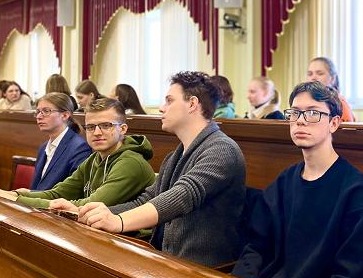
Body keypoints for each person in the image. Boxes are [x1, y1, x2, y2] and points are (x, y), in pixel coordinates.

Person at [233, 81, 363, 278]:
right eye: (295, 113)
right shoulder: (284, 181)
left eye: (313, 113)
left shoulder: (355, 190)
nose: (300, 120)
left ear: (334, 123)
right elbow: (256, 246)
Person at [78, 72, 247, 268]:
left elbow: (182, 196)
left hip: (204, 270)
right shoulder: (175, 156)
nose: (161, 108)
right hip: (169, 261)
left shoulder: (222, 149)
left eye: (169, 100)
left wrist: (118, 222)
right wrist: (91, 213)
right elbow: (146, 200)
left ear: (192, 104)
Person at [0, 98, 154, 209]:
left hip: (130, 241)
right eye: (90, 127)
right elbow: (58, 192)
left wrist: (18, 200)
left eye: (105, 125)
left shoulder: (131, 162)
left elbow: (88, 205)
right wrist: (16, 194)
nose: (97, 132)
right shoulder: (95, 158)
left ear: (122, 129)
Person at [29, 92, 91, 191]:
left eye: (46, 111)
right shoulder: (43, 147)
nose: (39, 116)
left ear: (65, 115)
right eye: (38, 112)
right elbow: (36, 186)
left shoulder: (79, 148)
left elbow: (72, 191)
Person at [306, 56, 355, 122]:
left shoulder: (340, 104)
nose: (313, 77)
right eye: (310, 74)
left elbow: (348, 127)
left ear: (332, 79)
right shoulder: (304, 100)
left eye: (320, 73)